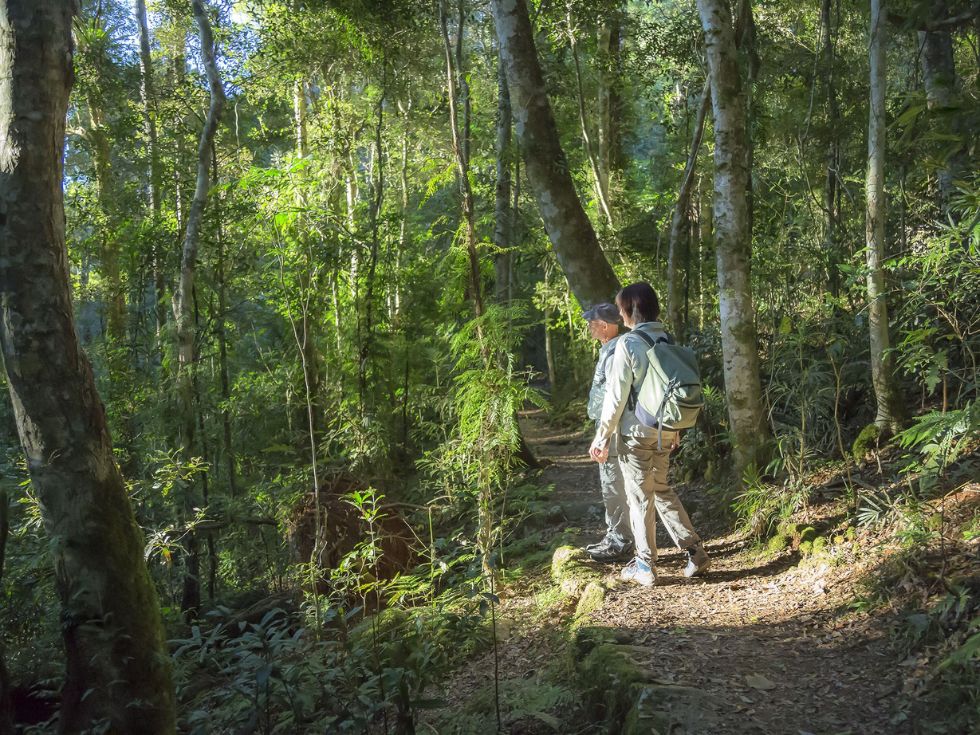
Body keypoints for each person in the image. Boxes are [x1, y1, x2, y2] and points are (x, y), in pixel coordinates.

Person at [588, 282, 710, 586]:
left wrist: (601, 437)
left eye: (620, 308)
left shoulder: (629, 344)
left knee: (639, 495)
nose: (619, 313)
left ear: (629, 309)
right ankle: (695, 552)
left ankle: (645, 564)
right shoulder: (665, 337)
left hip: (636, 434)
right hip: (665, 430)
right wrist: (675, 428)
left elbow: (616, 397)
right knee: (661, 489)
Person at [582, 303, 632, 562]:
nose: (590, 327)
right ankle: (619, 536)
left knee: (614, 483)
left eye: (593, 323)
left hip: (613, 429)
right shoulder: (611, 350)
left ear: (604, 325)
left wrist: (604, 434)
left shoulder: (615, 353)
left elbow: (616, 398)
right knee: (614, 482)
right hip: (610, 427)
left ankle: (620, 540)